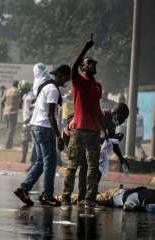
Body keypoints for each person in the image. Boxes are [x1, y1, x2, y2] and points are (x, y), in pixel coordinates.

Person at [14, 64, 71, 207]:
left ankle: (24, 189)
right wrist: (58, 136)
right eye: (66, 78)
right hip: (45, 128)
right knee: (50, 163)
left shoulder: (47, 86)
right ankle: (47, 196)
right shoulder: (52, 90)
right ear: (61, 76)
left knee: (40, 161)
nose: (67, 81)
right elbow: (51, 115)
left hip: (36, 126)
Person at [62, 34, 103, 209]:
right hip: (79, 130)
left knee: (93, 167)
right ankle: (66, 198)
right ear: (83, 67)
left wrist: (105, 129)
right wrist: (86, 48)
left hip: (94, 132)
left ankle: (89, 198)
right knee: (72, 166)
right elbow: (73, 67)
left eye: (94, 63)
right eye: (90, 62)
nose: (93, 65)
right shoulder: (78, 81)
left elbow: (97, 109)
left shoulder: (97, 86)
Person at [62, 103, 130, 206]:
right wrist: (112, 137)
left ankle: (91, 192)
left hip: (87, 139)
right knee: (85, 164)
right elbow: (96, 136)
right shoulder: (102, 115)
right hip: (73, 135)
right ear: (115, 113)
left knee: (97, 164)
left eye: (124, 119)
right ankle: (82, 196)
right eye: (122, 118)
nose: (122, 122)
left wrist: (121, 158)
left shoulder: (111, 122)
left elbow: (110, 141)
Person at [1, 80, 22, 149]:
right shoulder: (18, 92)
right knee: (11, 130)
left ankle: (7, 144)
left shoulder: (7, 91)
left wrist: (4, 108)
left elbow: (2, 101)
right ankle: (8, 146)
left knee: (8, 129)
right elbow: (21, 103)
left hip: (6, 112)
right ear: (17, 85)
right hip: (13, 112)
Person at [20, 84, 35, 163]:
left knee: (30, 142)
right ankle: (24, 158)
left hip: (29, 122)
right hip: (27, 121)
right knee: (25, 141)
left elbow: (32, 109)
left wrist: (27, 119)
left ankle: (31, 160)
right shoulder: (26, 96)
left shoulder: (30, 97)